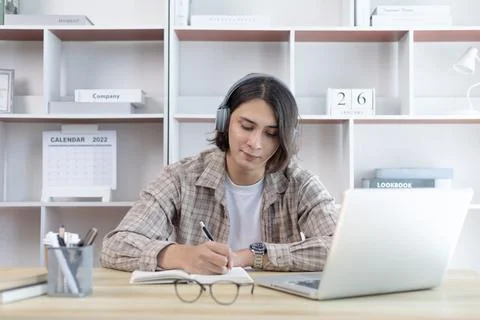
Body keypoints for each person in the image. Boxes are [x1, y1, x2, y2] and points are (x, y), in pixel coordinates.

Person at [100, 73, 337, 274]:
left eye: (271, 133)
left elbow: (343, 249)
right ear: (224, 121)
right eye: (246, 126)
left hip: (273, 308)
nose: (255, 143)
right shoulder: (181, 177)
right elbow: (115, 246)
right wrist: (182, 256)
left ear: (286, 137)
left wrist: (254, 256)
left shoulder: (300, 183)